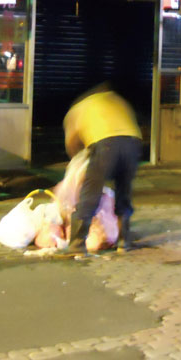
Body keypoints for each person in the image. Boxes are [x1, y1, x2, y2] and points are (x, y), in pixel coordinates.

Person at [64, 84, 143, 253]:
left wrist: (78, 162)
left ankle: (77, 245)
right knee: (123, 193)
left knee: (90, 195)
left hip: (106, 146)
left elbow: (72, 141)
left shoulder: (80, 108)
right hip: (133, 144)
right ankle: (124, 241)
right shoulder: (117, 100)